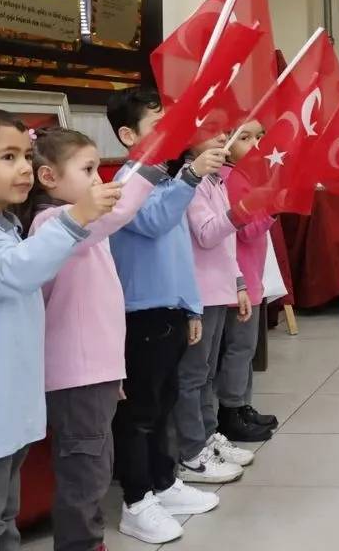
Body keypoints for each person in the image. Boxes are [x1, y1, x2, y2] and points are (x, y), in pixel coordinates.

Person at [0, 109, 118, 551]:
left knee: (2, 516)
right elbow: (12, 272)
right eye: (8, 157)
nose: (23, 168)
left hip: (6, 405)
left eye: (26, 156)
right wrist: (75, 219)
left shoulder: (3, 225)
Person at [21, 128, 156, 551]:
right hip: (76, 374)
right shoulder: (53, 223)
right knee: (85, 472)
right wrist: (151, 165)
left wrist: (111, 371)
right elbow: (118, 212)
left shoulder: (78, 227)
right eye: (88, 169)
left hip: (93, 372)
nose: (99, 179)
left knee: (94, 466)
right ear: (48, 177)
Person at [106, 88, 228, 544]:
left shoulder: (166, 180)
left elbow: (181, 254)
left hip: (171, 308)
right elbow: (153, 222)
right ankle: (136, 500)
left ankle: (163, 481)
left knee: (163, 404)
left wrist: (192, 305)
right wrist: (191, 177)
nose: (170, 135)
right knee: (138, 412)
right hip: (141, 312)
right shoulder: (128, 181)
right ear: (127, 135)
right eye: (158, 126)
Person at [170, 130, 261, 481]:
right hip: (199, 293)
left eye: (225, 130)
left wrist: (239, 283)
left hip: (219, 289)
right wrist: (242, 212)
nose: (223, 137)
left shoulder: (215, 180)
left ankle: (209, 437)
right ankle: (192, 451)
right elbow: (208, 234)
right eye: (212, 132)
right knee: (192, 374)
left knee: (207, 371)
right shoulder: (188, 180)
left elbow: (227, 246)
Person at [218, 121, 281, 436]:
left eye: (260, 136)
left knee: (245, 348)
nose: (256, 144)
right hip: (238, 279)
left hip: (249, 276)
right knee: (240, 348)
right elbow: (246, 230)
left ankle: (243, 405)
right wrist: (274, 206)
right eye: (245, 138)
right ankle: (232, 410)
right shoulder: (231, 179)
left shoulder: (242, 176)